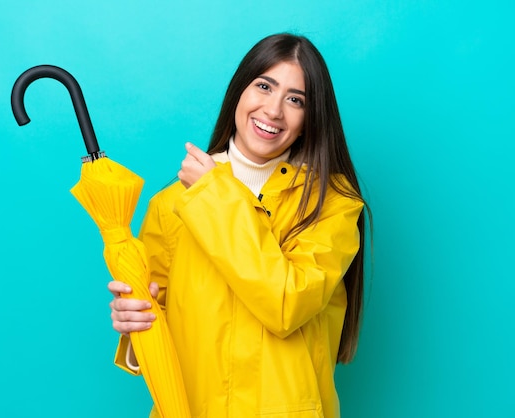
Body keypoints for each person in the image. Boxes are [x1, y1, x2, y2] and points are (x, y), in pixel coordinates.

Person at [108, 33, 368, 418]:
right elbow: (156, 333)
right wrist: (135, 325)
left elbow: (286, 304)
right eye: (264, 86)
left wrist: (214, 196)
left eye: (296, 99)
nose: (274, 110)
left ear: (310, 118)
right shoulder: (172, 204)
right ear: (239, 92)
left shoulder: (330, 203)